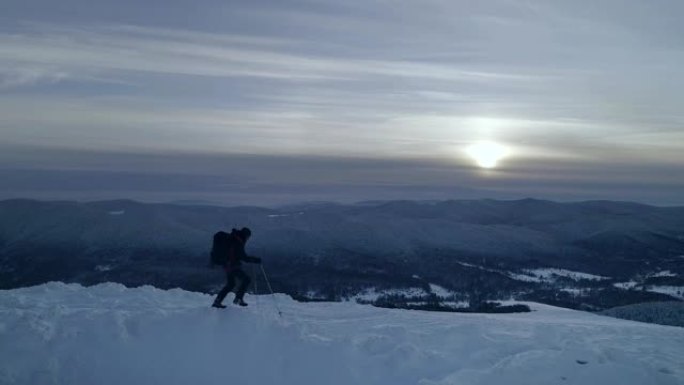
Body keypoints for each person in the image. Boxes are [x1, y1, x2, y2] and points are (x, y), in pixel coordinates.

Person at [212, 227, 261, 308]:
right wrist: (255, 260)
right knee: (246, 279)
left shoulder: (234, 239)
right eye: (248, 237)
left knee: (231, 284)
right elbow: (243, 256)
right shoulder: (238, 241)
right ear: (246, 235)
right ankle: (238, 299)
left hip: (227, 264)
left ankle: (218, 301)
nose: (248, 239)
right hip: (232, 265)